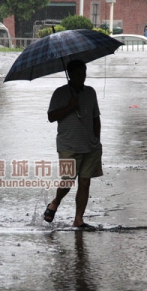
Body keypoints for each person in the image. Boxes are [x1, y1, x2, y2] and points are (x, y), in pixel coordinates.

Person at [44, 59, 103, 228]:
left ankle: (78, 219)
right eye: (78, 74)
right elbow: (51, 117)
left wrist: (97, 141)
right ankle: (55, 202)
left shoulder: (90, 92)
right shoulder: (60, 93)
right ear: (70, 74)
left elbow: (95, 117)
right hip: (68, 145)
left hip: (90, 146)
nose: (81, 77)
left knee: (85, 182)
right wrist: (70, 106)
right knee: (68, 180)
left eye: (83, 73)